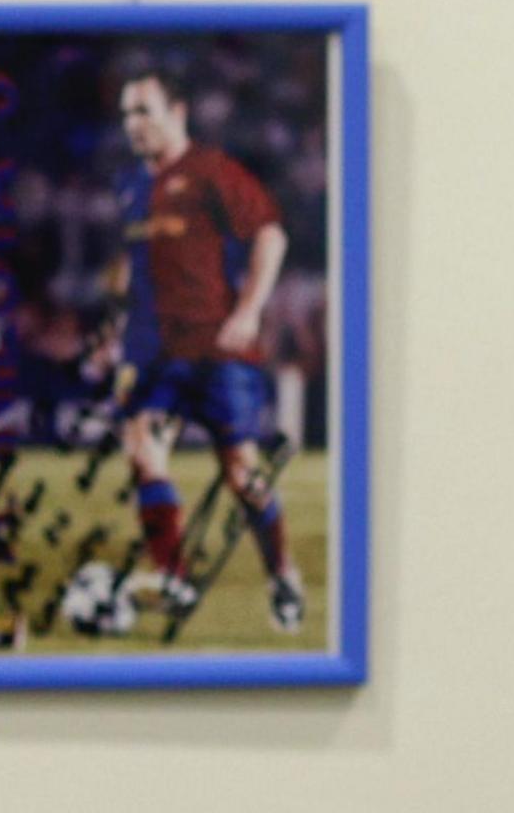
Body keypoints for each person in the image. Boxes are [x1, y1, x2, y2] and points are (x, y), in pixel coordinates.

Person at [105, 58, 302, 631]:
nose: (133, 124)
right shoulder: (131, 189)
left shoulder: (212, 170)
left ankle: (282, 575)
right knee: (143, 450)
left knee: (242, 475)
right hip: (159, 356)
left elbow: (270, 232)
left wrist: (248, 310)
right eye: (125, 115)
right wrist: (115, 330)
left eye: (144, 111)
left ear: (178, 112)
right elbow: (134, 270)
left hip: (218, 351)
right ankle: (177, 580)